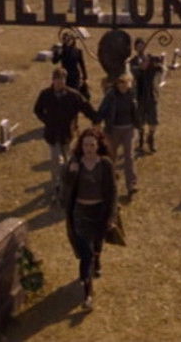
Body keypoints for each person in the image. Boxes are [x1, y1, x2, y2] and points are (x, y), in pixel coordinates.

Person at [62, 127, 117, 309]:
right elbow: (65, 185)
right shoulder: (75, 162)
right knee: (86, 254)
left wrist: (111, 216)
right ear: (81, 146)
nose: (89, 149)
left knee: (97, 245)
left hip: (99, 211)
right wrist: (71, 171)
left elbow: (112, 192)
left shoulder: (106, 164)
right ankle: (87, 294)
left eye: (92, 145)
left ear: (98, 145)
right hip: (80, 213)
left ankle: (97, 259)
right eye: (86, 145)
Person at [33, 68, 98, 201]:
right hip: (52, 134)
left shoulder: (73, 95)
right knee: (56, 162)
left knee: (68, 161)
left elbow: (86, 107)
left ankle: (67, 187)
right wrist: (47, 120)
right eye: (57, 79)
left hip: (67, 134)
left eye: (62, 80)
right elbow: (37, 109)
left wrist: (96, 118)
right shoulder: (45, 94)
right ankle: (56, 189)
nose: (60, 82)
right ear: (53, 80)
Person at [96, 73, 139, 196]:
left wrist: (138, 123)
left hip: (128, 129)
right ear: (118, 84)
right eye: (122, 83)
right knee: (111, 157)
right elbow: (102, 109)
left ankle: (131, 185)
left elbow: (135, 110)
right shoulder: (111, 95)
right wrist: (97, 121)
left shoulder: (131, 94)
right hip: (113, 130)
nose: (124, 86)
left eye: (127, 84)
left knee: (129, 156)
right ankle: (109, 182)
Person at [128, 37, 164, 153]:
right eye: (138, 46)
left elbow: (161, 69)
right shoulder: (133, 62)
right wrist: (141, 67)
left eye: (142, 45)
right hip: (139, 96)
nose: (140, 48)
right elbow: (133, 72)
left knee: (153, 120)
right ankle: (141, 140)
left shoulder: (151, 58)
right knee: (140, 121)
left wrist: (158, 64)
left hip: (151, 94)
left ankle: (151, 138)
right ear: (135, 48)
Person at [52, 33, 90, 100]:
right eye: (65, 39)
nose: (67, 41)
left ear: (73, 40)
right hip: (64, 76)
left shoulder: (78, 51)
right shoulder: (62, 51)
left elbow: (82, 64)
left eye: (69, 39)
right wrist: (56, 52)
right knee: (64, 94)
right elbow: (54, 61)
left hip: (75, 76)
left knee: (74, 94)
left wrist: (85, 77)